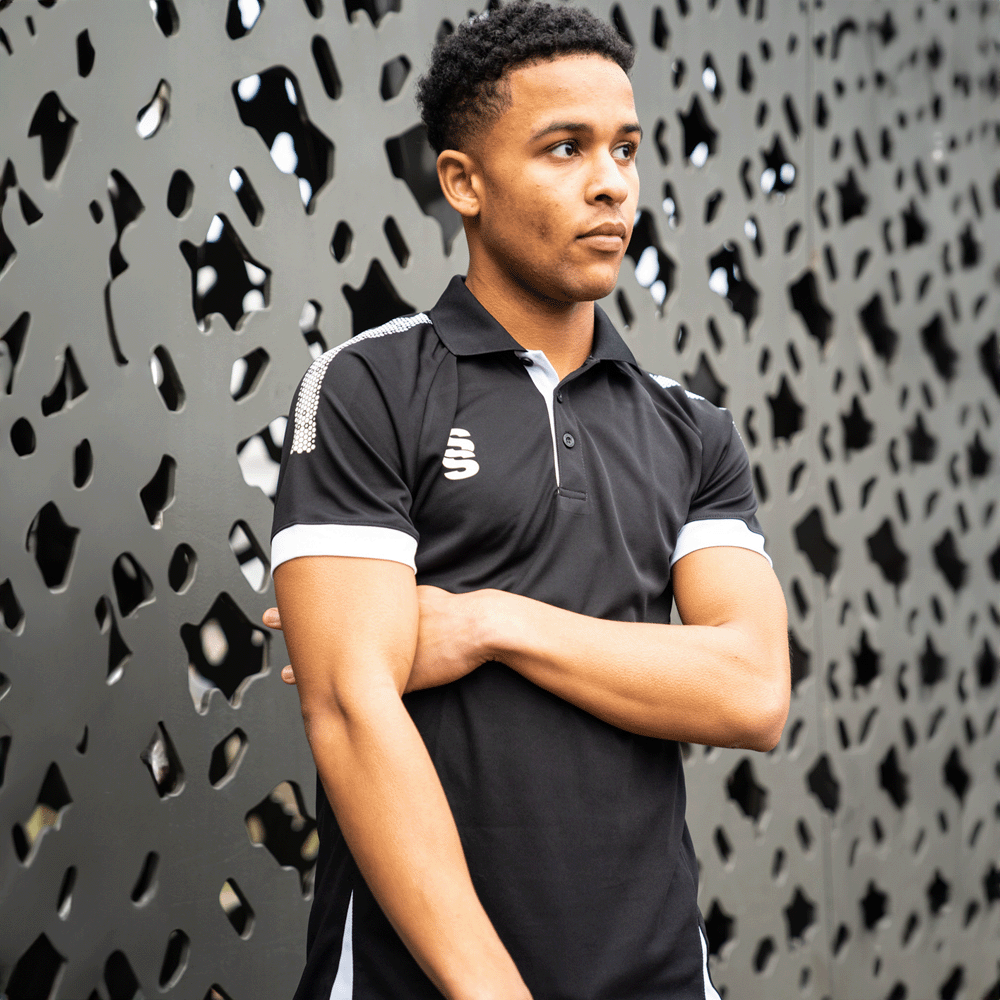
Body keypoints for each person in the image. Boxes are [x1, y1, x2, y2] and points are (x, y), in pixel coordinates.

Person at [265, 3, 790, 998]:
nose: (611, 182)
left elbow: (752, 690)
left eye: (625, 149)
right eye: (565, 148)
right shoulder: (367, 387)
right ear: (463, 182)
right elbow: (347, 708)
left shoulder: (692, 429)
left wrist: (490, 622)